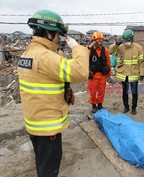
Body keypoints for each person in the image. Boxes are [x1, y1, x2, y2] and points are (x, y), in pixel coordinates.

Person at [17, 10, 89, 177]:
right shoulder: (44, 56)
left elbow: (54, 68)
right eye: (58, 35)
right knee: (49, 170)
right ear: (48, 32)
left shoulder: (30, 52)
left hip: (36, 121)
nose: (59, 39)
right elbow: (80, 72)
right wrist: (78, 48)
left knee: (43, 163)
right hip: (47, 127)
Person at [109, 29, 144, 115]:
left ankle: (134, 108)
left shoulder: (138, 48)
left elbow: (142, 62)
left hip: (134, 74)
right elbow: (110, 51)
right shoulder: (120, 47)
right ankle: (126, 107)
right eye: (126, 40)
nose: (127, 42)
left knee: (134, 93)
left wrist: (142, 73)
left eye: (128, 40)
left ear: (132, 38)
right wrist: (116, 44)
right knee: (124, 92)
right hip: (123, 74)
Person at [88, 31, 111, 113]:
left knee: (101, 91)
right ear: (94, 41)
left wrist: (108, 72)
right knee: (93, 91)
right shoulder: (89, 50)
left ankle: (100, 104)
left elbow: (108, 62)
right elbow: (85, 62)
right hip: (93, 75)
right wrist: (88, 72)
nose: (99, 42)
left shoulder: (105, 51)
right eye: (97, 40)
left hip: (102, 74)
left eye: (101, 40)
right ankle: (93, 105)